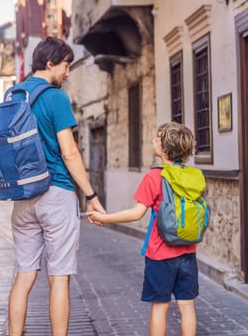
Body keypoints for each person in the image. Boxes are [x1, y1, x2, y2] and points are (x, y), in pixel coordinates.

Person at [8, 36, 105, 336]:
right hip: (56, 192)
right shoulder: (55, 97)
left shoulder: (13, 95)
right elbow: (70, 152)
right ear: (50, 63)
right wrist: (91, 195)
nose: (67, 73)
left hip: (23, 197)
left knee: (24, 275)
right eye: (65, 65)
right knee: (59, 277)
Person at [88, 122, 199, 336]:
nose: (153, 141)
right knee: (186, 305)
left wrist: (105, 218)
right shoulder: (192, 175)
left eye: (157, 138)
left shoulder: (154, 176)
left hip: (160, 253)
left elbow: (137, 213)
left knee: (160, 306)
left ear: (165, 148)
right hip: (187, 251)